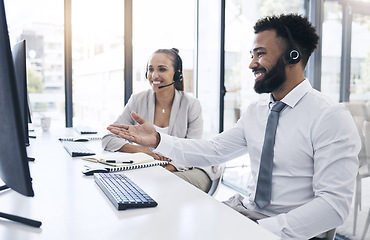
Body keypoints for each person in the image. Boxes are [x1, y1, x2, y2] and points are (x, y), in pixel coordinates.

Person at [107, 14, 361, 239]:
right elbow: (213, 150)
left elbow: (334, 206)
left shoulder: (329, 116)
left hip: (284, 228)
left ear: (292, 56)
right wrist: (159, 140)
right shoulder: (256, 112)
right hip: (244, 212)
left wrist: (260, 231)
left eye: (260, 54)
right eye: (252, 55)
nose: (252, 64)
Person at [102, 48, 222, 193]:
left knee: (162, 186)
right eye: (150, 69)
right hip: (152, 169)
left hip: (191, 168)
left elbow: (192, 151)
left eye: (162, 69)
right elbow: (108, 138)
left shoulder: (191, 105)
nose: (154, 75)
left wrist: (165, 168)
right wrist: (142, 151)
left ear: (176, 75)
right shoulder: (137, 100)